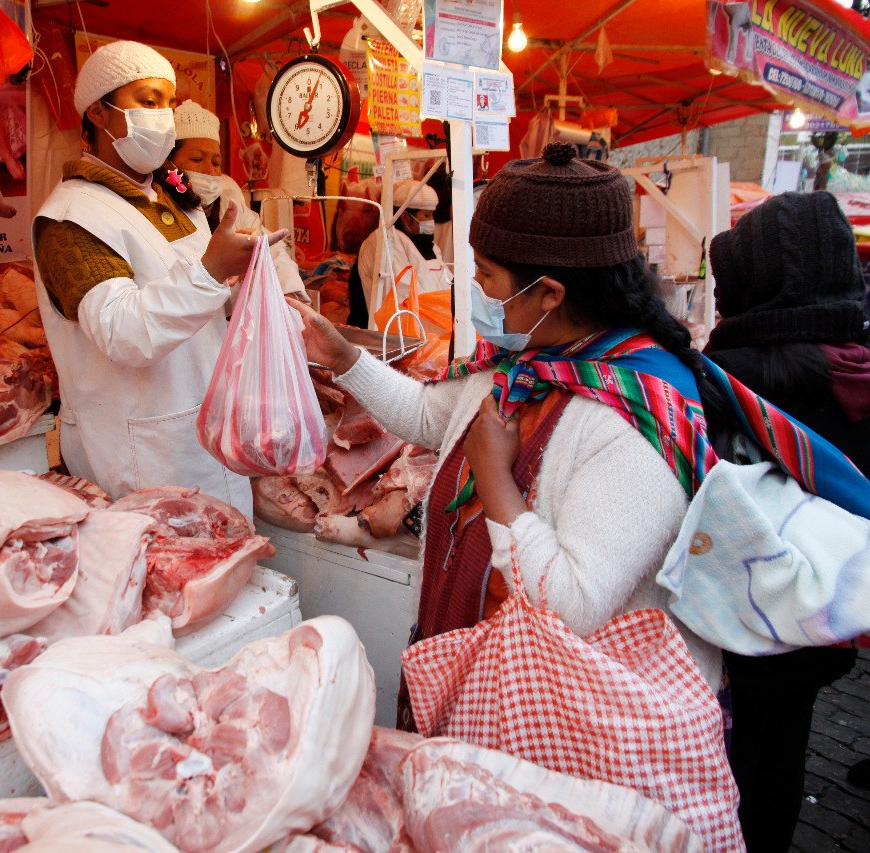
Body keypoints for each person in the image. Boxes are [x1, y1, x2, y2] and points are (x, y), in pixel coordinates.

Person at [290, 142, 730, 722]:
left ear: (550, 293)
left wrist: (494, 477)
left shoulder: (635, 419)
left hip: (562, 719)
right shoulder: (522, 364)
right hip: (477, 675)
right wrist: (346, 358)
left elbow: (571, 606)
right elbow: (426, 417)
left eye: (489, 277)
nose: (479, 294)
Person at [31, 40, 284, 517]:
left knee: (234, 572)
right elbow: (122, 332)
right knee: (170, 580)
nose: (164, 116)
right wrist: (212, 270)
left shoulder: (172, 201)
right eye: (147, 102)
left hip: (205, 431)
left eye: (168, 103)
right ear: (99, 115)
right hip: (141, 451)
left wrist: (247, 280)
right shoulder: (68, 218)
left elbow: (199, 305)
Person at [704, 190, 870, 853]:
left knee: (729, 763)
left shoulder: (737, 377)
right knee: (783, 753)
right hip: (820, 616)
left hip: (742, 616)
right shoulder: (854, 367)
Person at [168, 100, 308, 302]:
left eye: (216, 162)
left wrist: (290, 295)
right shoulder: (158, 204)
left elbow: (271, 250)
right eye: (197, 159)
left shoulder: (228, 198)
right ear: (168, 162)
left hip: (230, 324)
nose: (210, 171)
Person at [347, 179, 448, 330]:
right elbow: (404, 296)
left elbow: (444, 283)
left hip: (426, 331)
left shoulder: (429, 246)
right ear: (406, 217)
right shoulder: (386, 241)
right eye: (427, 216)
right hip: (386, 337)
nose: (432, 221)